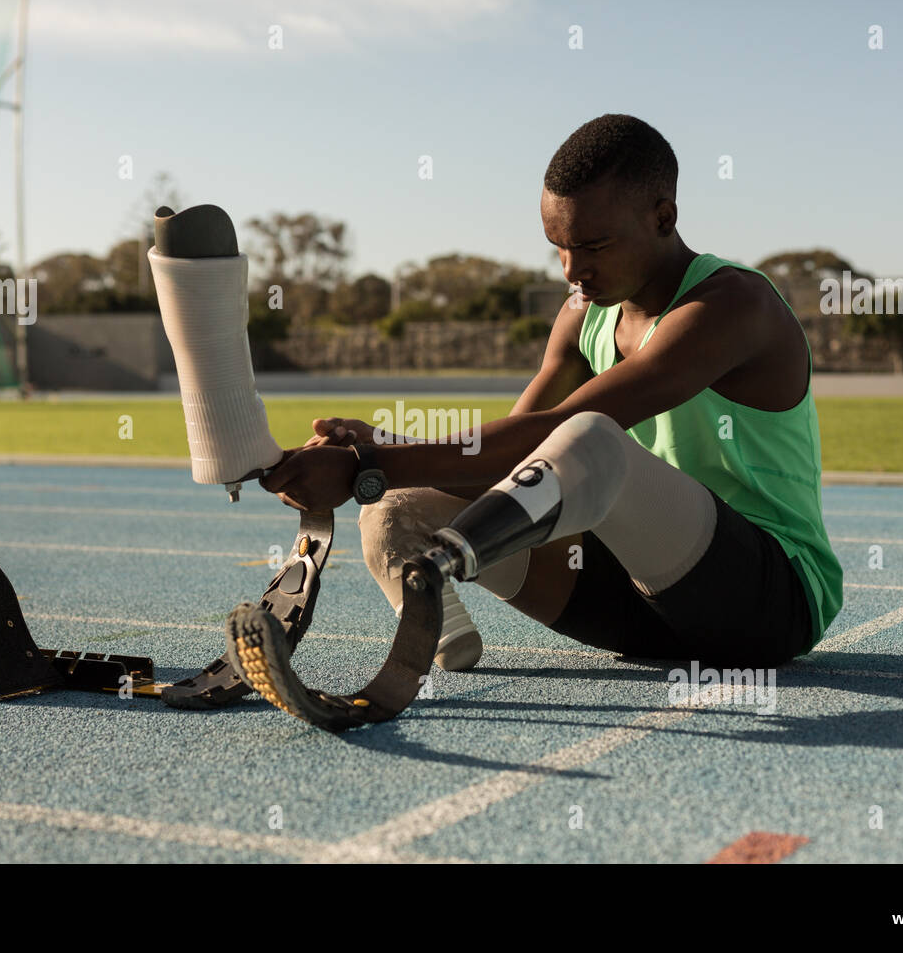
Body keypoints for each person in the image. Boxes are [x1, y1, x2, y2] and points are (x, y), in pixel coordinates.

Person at [261, 113, 843, 672]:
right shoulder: (582, 313)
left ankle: (428, 553)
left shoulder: (731, 306)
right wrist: (376, 449)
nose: (571, 269)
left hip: (766, 602)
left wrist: (372, 461)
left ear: (663, 217)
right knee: (394, 505)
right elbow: (513, 474)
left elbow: (560, 434)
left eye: (593, 246)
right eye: (557, 246)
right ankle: (430, 636)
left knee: (589, 435)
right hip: (647, 613)